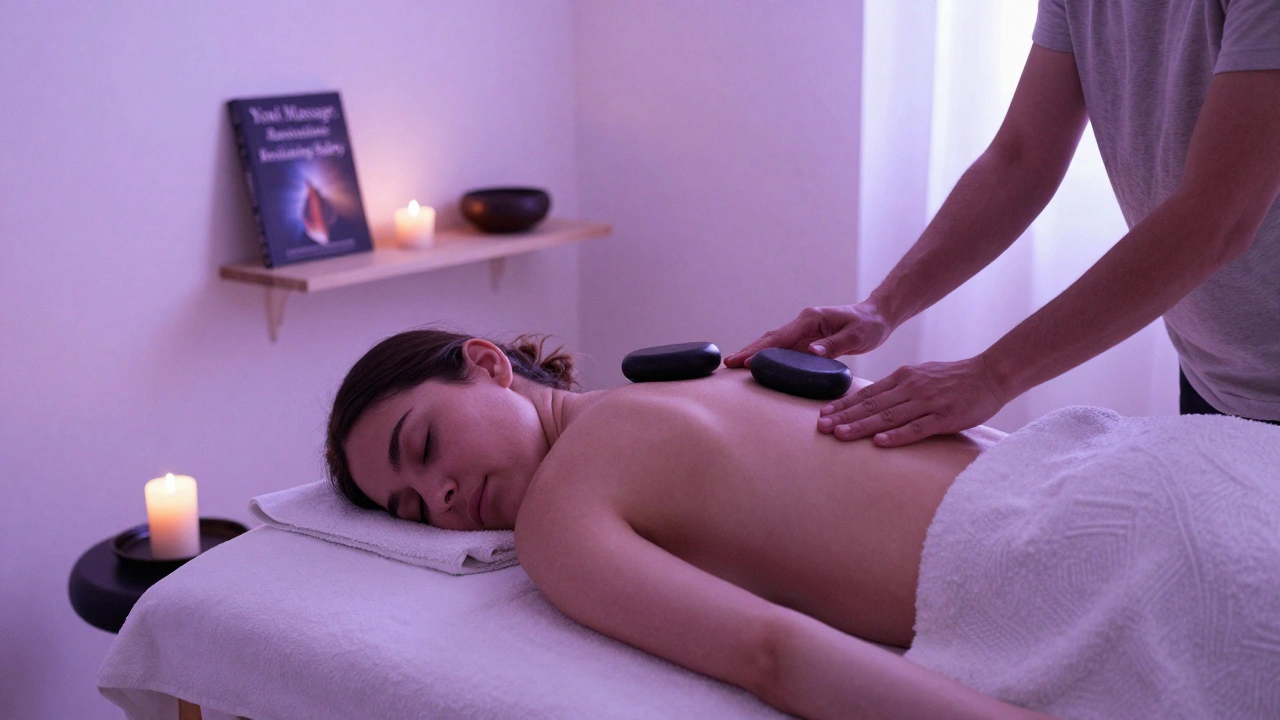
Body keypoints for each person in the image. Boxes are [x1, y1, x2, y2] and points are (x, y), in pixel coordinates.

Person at [325, 328, 1280, 720]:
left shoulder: (561, 518)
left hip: (1090, 563)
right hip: (1157, 464)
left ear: (488, 364)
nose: (440, 500)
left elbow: (772, 655)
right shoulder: (709, 362)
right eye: (410, 507)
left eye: (423, 448)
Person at [726, 0, 1280, 447]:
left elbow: (1220, 217)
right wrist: (881, 307)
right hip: (1218, 375)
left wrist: (993, 375)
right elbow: (1020, 158)